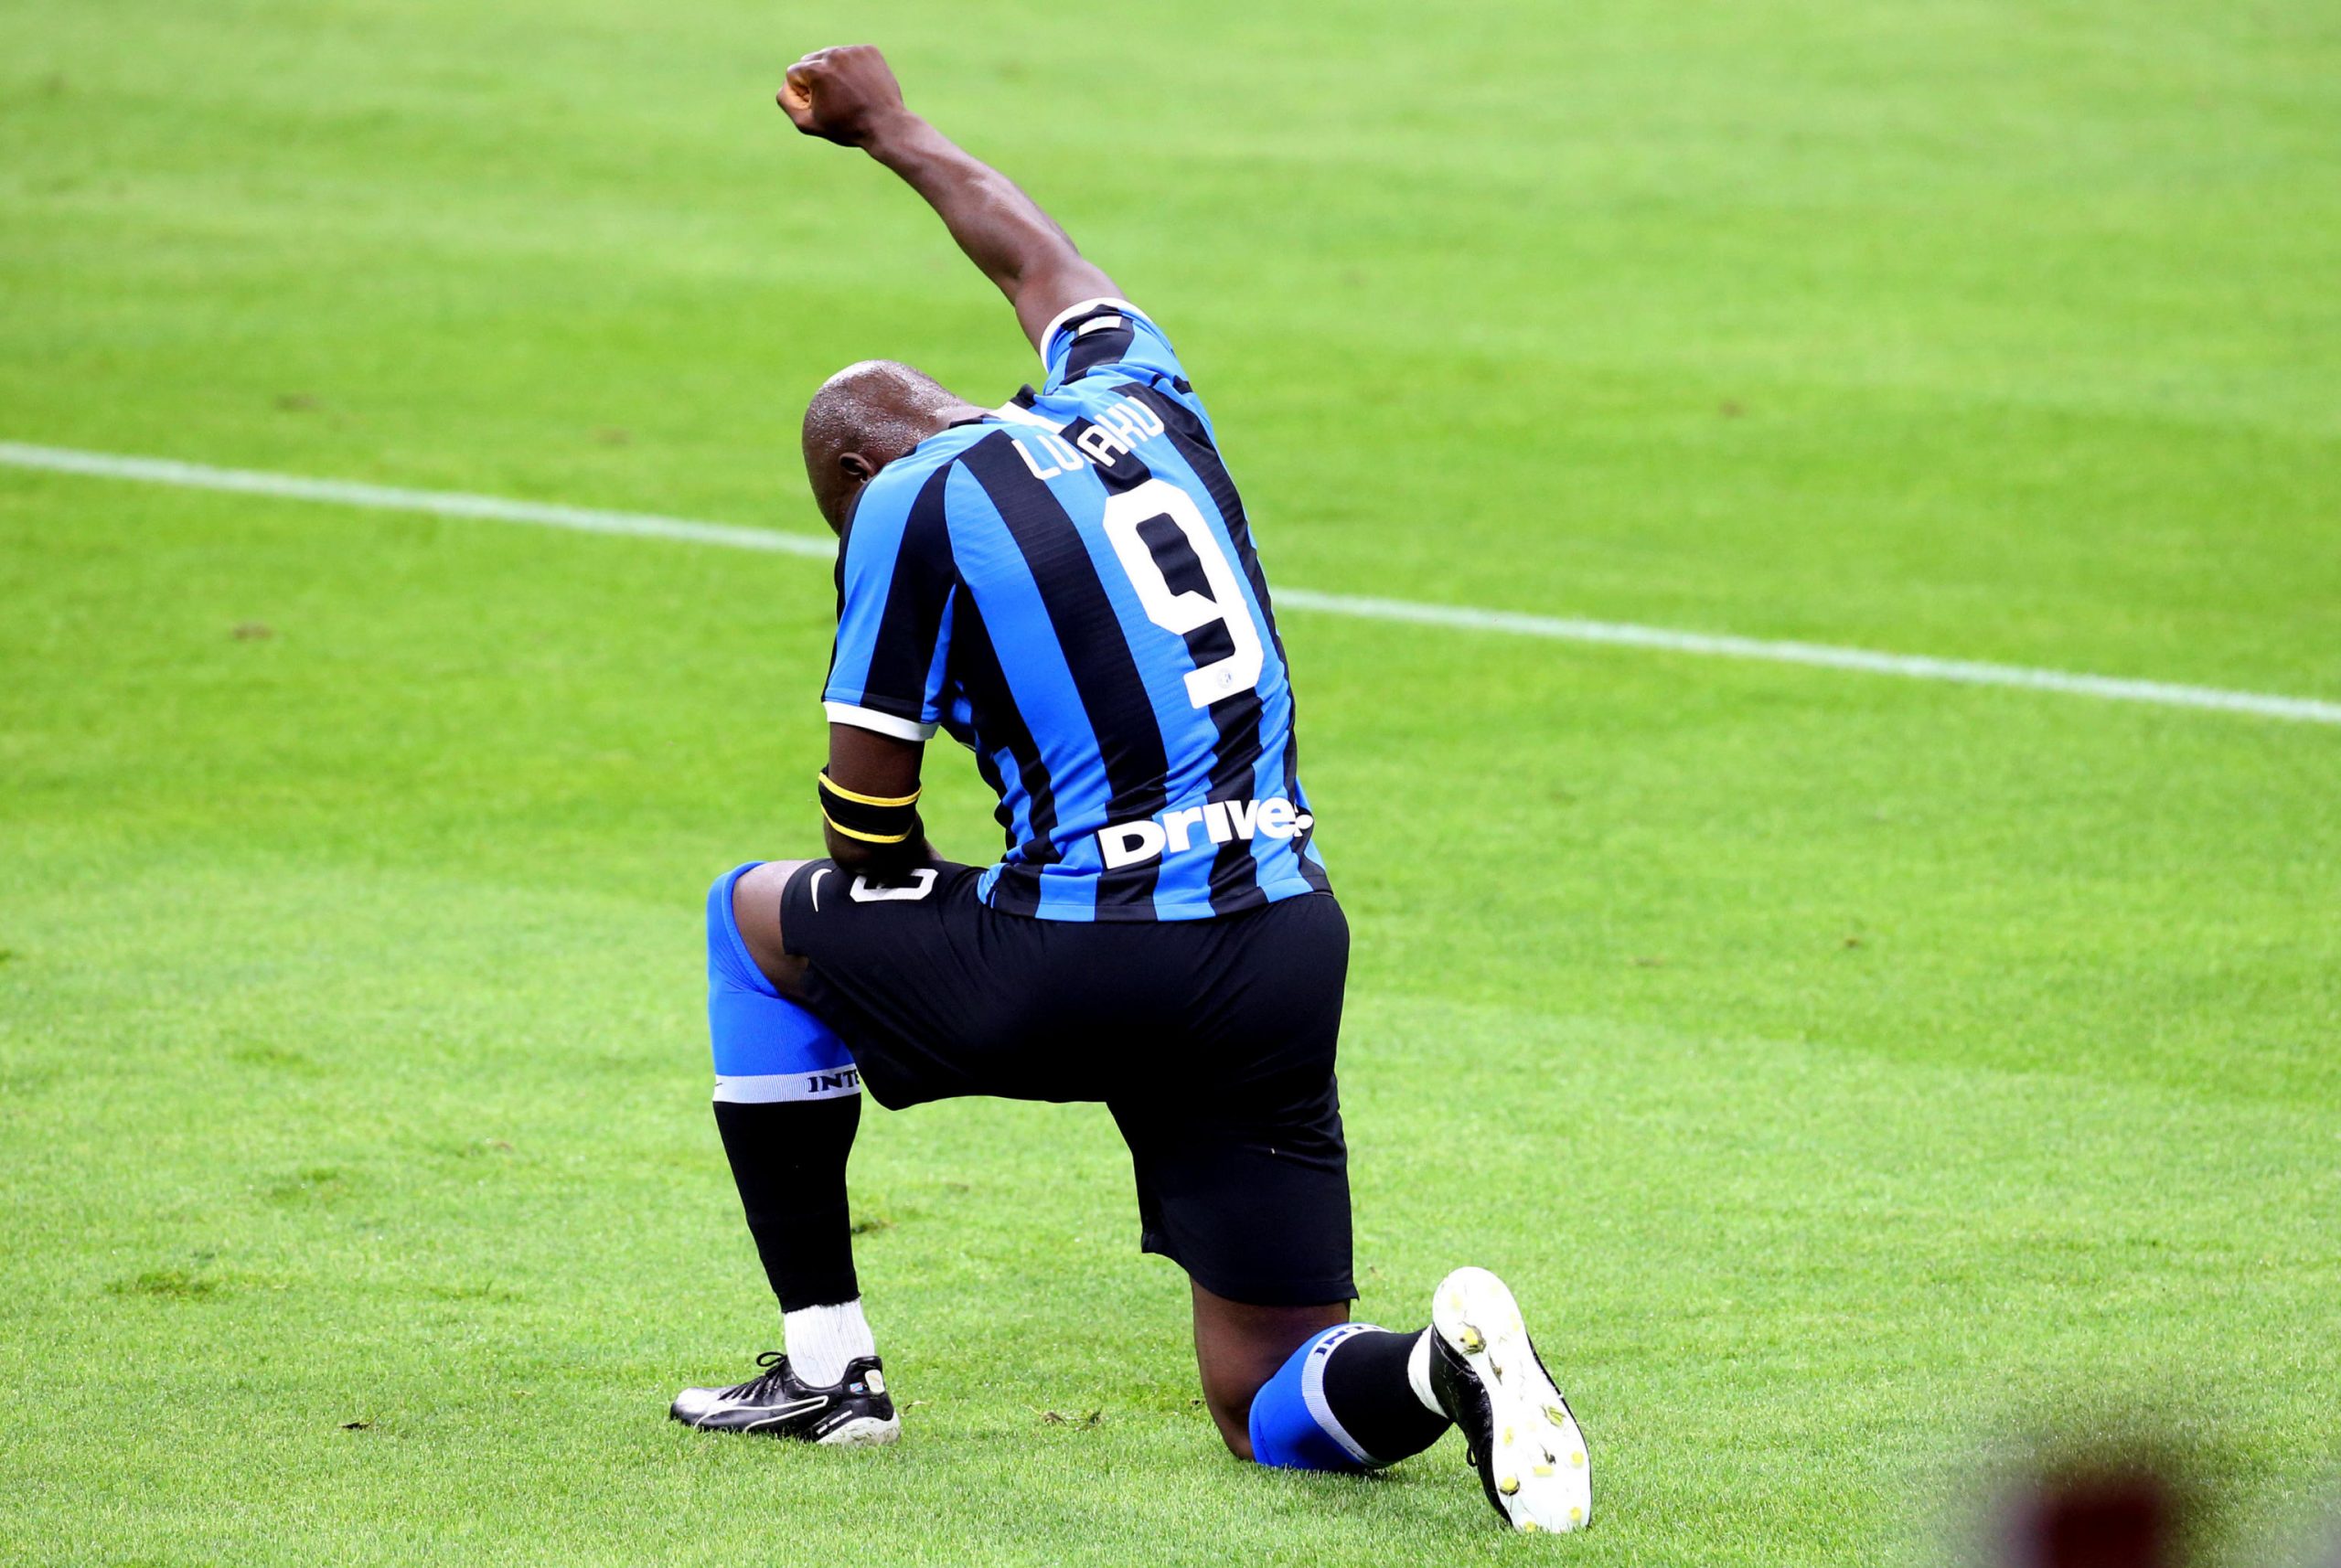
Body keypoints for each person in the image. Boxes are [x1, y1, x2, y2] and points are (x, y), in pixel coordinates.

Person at [667, 44, 1591, 1533]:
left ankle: (829, 1372)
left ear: (847, 478)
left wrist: (908, 910)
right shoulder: (1143, 398)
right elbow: (1036, 255)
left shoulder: (903, 508)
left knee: (753, 920)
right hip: (1283, 940)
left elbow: (865, 811)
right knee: (1265, 1401)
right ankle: (1438, 1369)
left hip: (1084, 955)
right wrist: (889, 129)